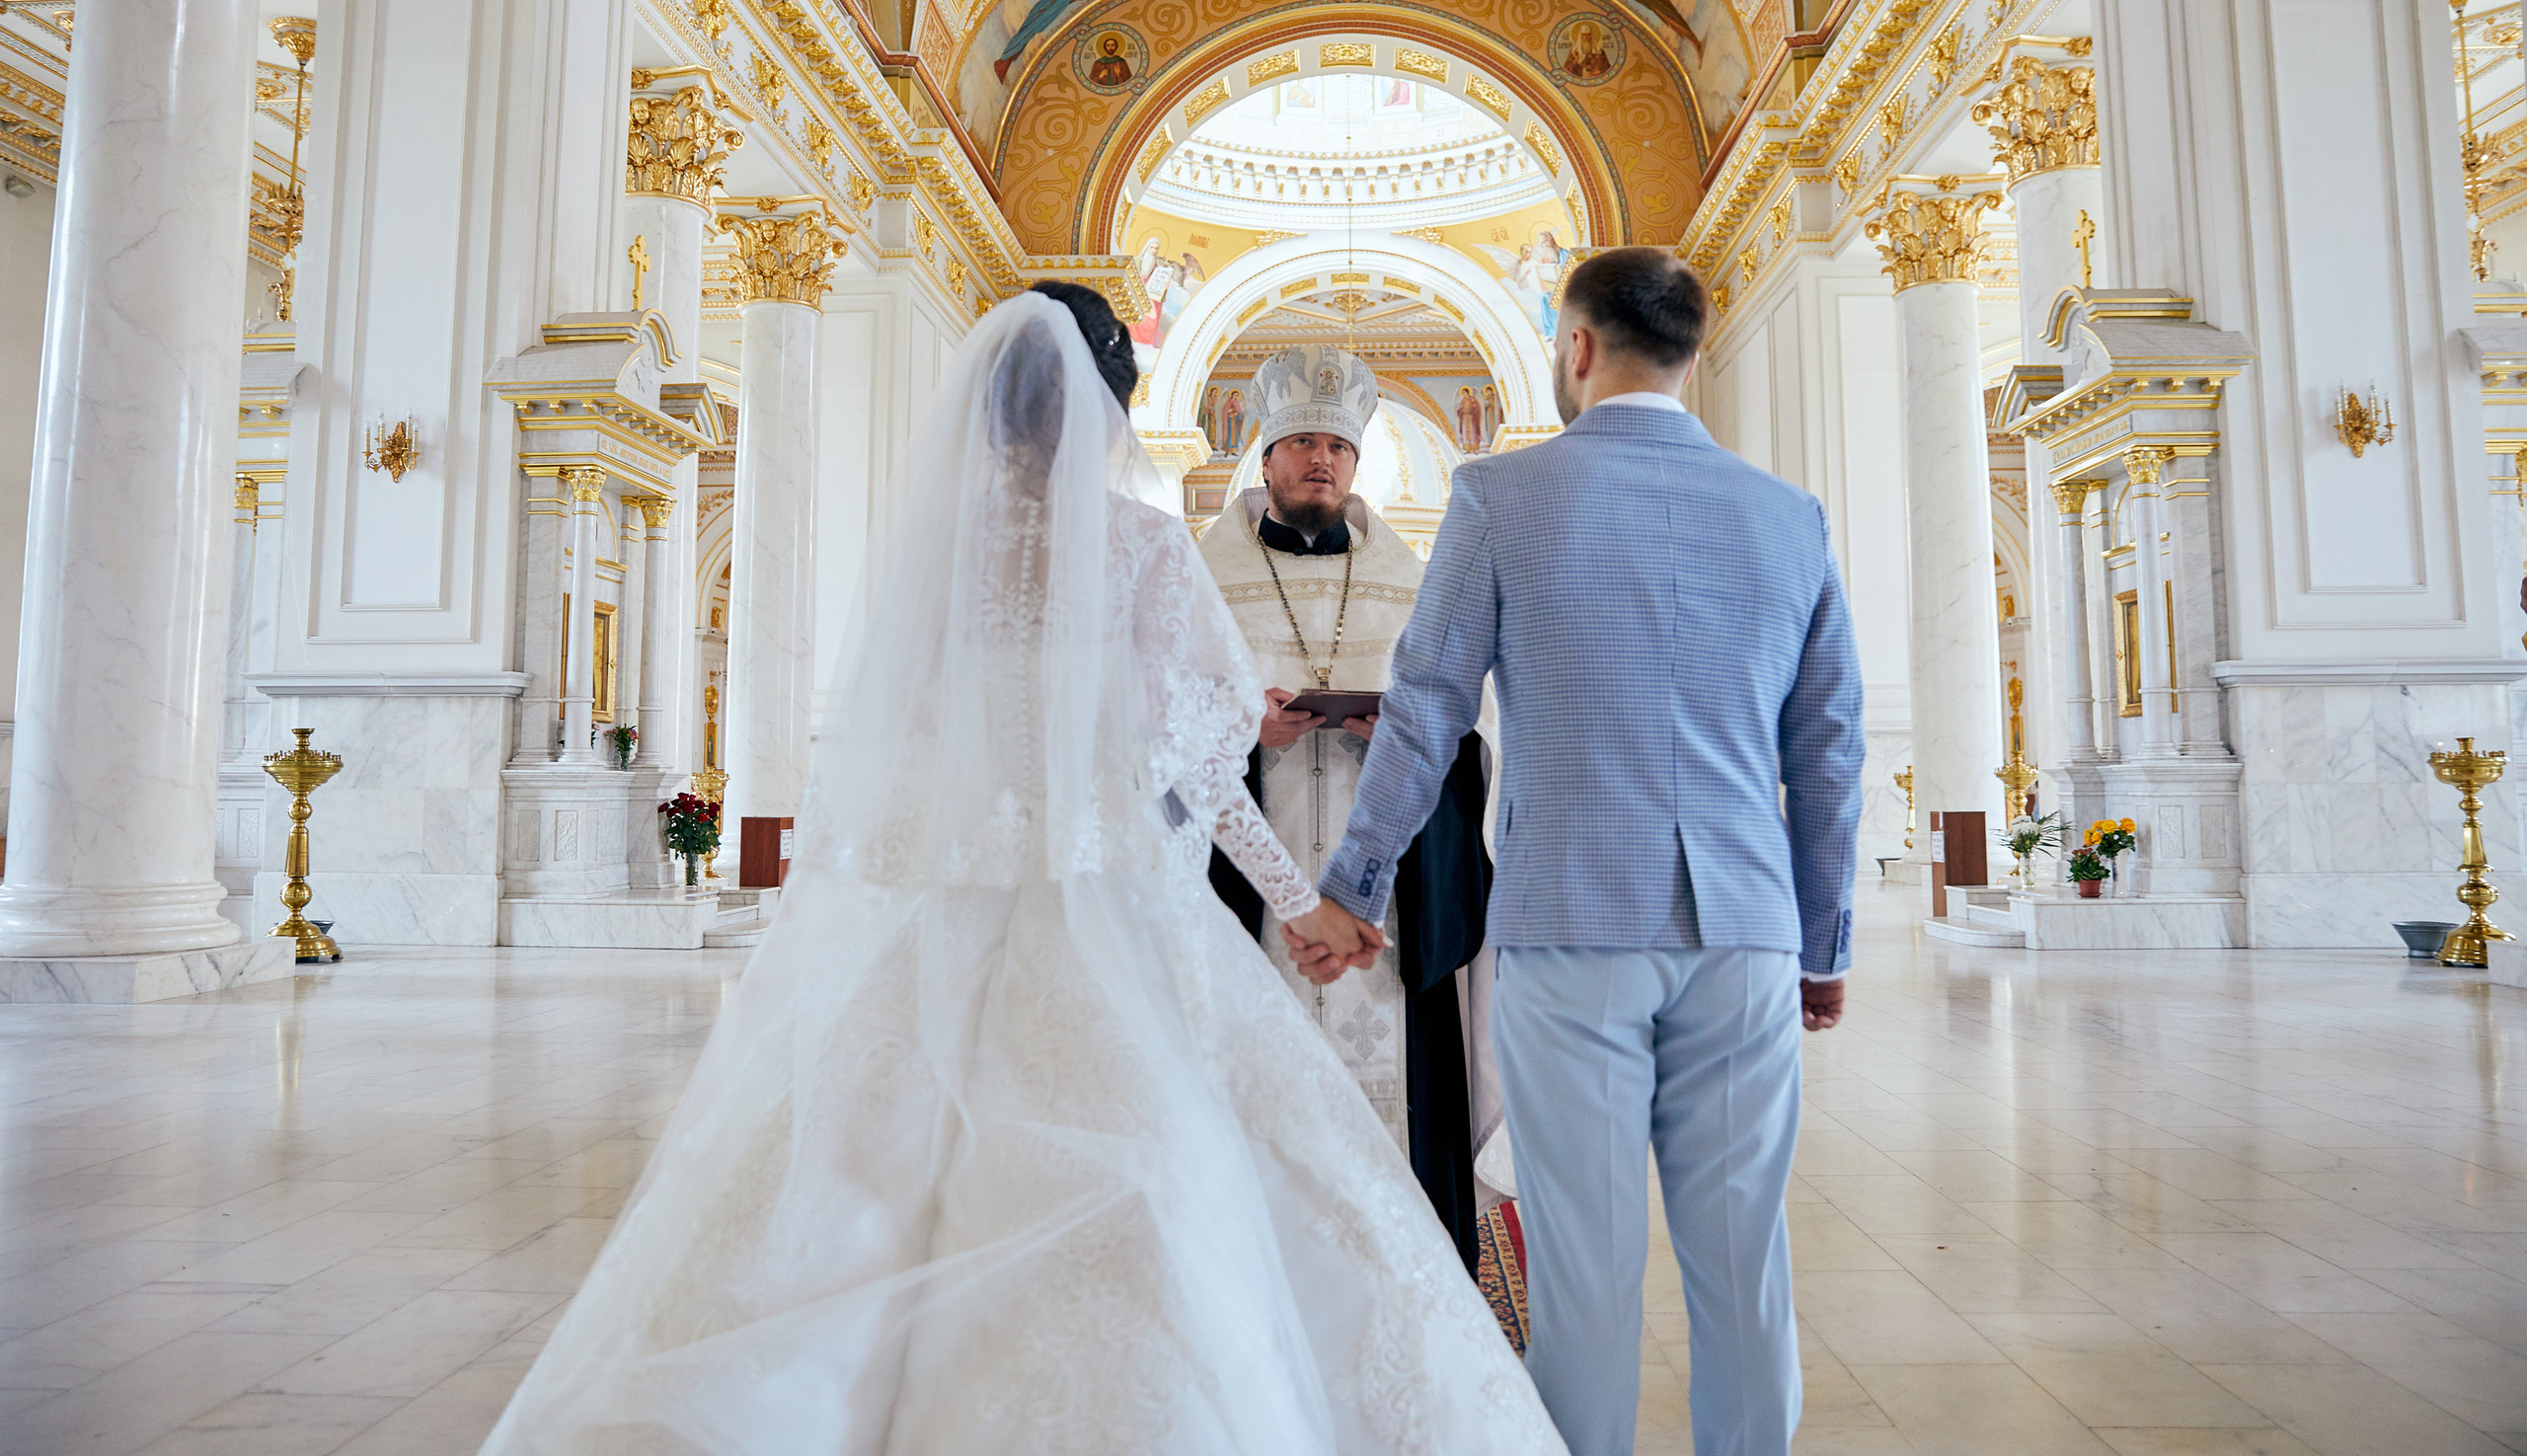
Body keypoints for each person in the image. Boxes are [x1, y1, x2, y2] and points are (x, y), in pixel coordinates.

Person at [480, 286, 1564, 1456]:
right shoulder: (1146, 547)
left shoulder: (937, 558)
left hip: (952, 908)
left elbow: (911, 753)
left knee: (871, 1172)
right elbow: (1202, 769)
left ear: (989, 415)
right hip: (1112, 907)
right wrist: (1305, 906)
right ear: (1107, 417)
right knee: (1176, 1163)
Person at [1295, 247, 1865, 1456]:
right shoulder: (1789, 518)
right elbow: (1826, 750)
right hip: (1746, 934)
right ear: (1693, 354)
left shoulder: (1502, 496)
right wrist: (1821, 945)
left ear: (1575, 348)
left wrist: (1350, 890)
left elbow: (1426, 706)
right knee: (1742, 1267)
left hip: (1570, 927)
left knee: (1584, 1274)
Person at [1196, 345, 1499, 1271]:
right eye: (1299, 443)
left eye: (1336, 444)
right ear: (1265, 458)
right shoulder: (1199, 580)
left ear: (1357, 462)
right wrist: (1239, 733)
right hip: (1251, 892)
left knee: (1399, 1104)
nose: (1319, 459)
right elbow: (1146, 724)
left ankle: (1404, 1276)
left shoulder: (1413, 584)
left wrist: (1404, 732)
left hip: (1387, 906)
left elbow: (1472, 725)